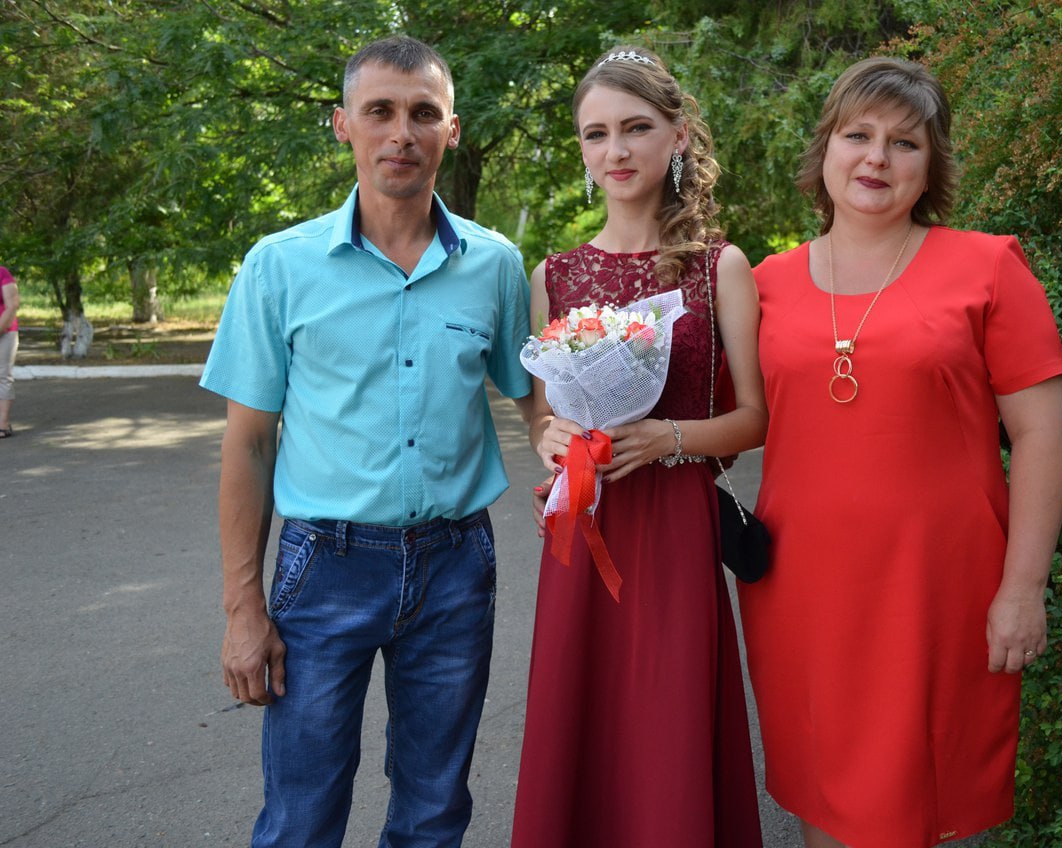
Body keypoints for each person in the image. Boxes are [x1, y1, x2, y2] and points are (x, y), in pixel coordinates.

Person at [199, 35, 533, 848]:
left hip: (456, 568)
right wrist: (243, 609)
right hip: (325, 567)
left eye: (424, 113)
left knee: (434, 810)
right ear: (343, 123)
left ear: (452, 129)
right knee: (302, 815)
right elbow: (249, 446)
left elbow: (538, 403)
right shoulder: (278, 267)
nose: (401, 134)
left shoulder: (495, 266)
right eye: (379, 111)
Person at [739, 57, 1062, 848]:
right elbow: (722, 419)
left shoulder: (988, 267)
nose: (877, 159)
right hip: (803, 594)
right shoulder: (763, 284)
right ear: (826, 148)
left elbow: (1041, 435)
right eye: (858, 135)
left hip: (938, 590)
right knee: (825, 801)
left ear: (932, 165)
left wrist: (1023, 587)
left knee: (922, 803)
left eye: (905, 143)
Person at [510, 46, 768, 848]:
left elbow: (754, 419)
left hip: (676, 525)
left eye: (636, 128)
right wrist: (549, 440)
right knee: (580, 719)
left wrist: (669, 439)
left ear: (678, 135)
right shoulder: (554, 275)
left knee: (667, 723)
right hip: (586, 525)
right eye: (596, 134)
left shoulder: (720, 267)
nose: (615, 151)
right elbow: (544, 416)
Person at [0, 265, 18, 438]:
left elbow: (12, 306)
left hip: (5, 332)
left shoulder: (2, 273)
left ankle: (2, 424)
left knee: (3, 376)